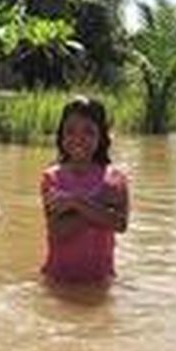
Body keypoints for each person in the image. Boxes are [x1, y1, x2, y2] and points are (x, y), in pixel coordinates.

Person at [40, 96, 130, 284]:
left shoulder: (116, 178)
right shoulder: (52, 178)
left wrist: (75, 203)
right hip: (58, 280)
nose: (78, 139)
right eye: (70, 131)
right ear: (61, 136)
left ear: (101, 136)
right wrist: (99, 206)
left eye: (88, 131)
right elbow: (57, 230)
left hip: (100, 279)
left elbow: (120, 224)